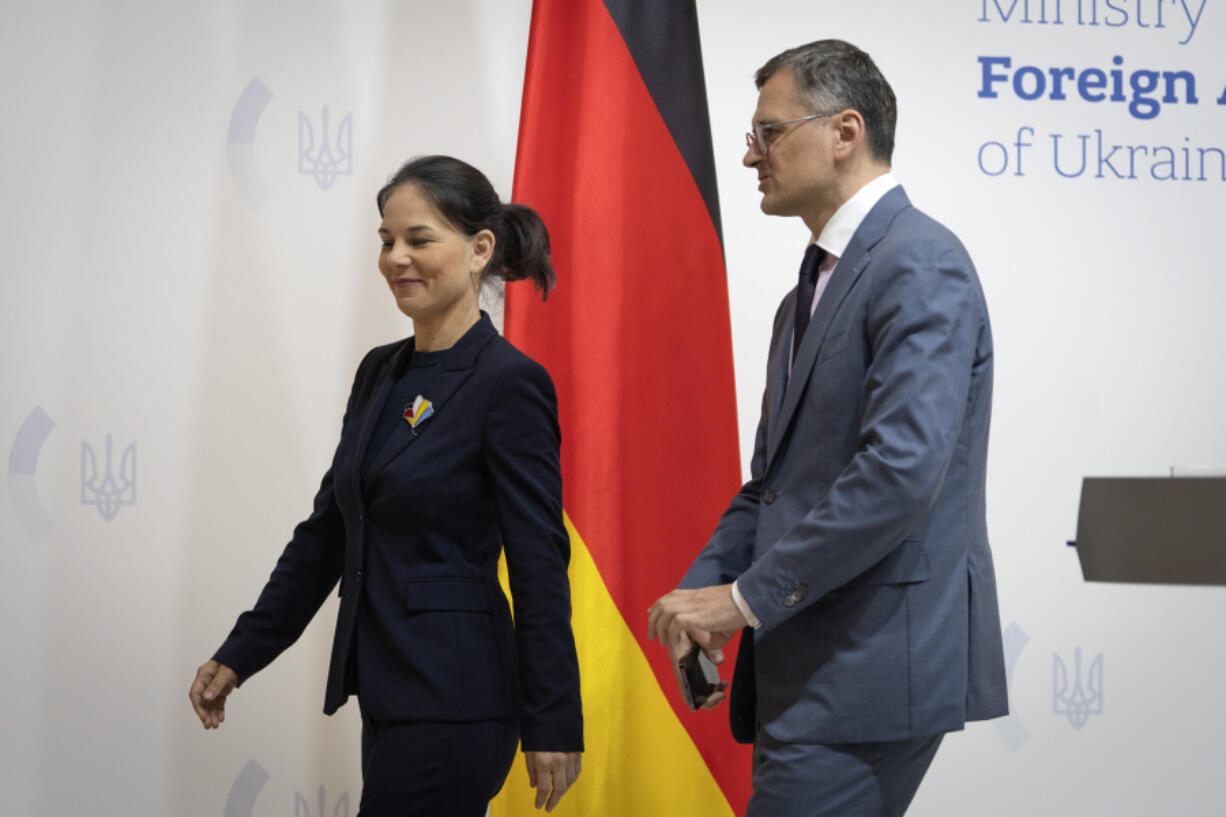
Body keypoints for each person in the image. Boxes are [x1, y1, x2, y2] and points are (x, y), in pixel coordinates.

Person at [648, 40, 1007, 816]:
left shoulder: (920, 262)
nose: (751, 157)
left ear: (845, 132)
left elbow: (899, 473)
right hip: (811, 666)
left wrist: (741, 600)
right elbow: (772, 485)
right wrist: (702, 587)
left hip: (868, 668)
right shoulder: (803, 295)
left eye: (768, 134)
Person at [189, 155, 583, 816]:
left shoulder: (508, 382)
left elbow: (541, 562)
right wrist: (241, 653)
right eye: (386, 240)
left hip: (459, 700)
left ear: (480, 248)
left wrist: (553, 720)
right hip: (389, 691)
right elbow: (328, 534)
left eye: (419, 239)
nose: (396, 257)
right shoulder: (381, 371)